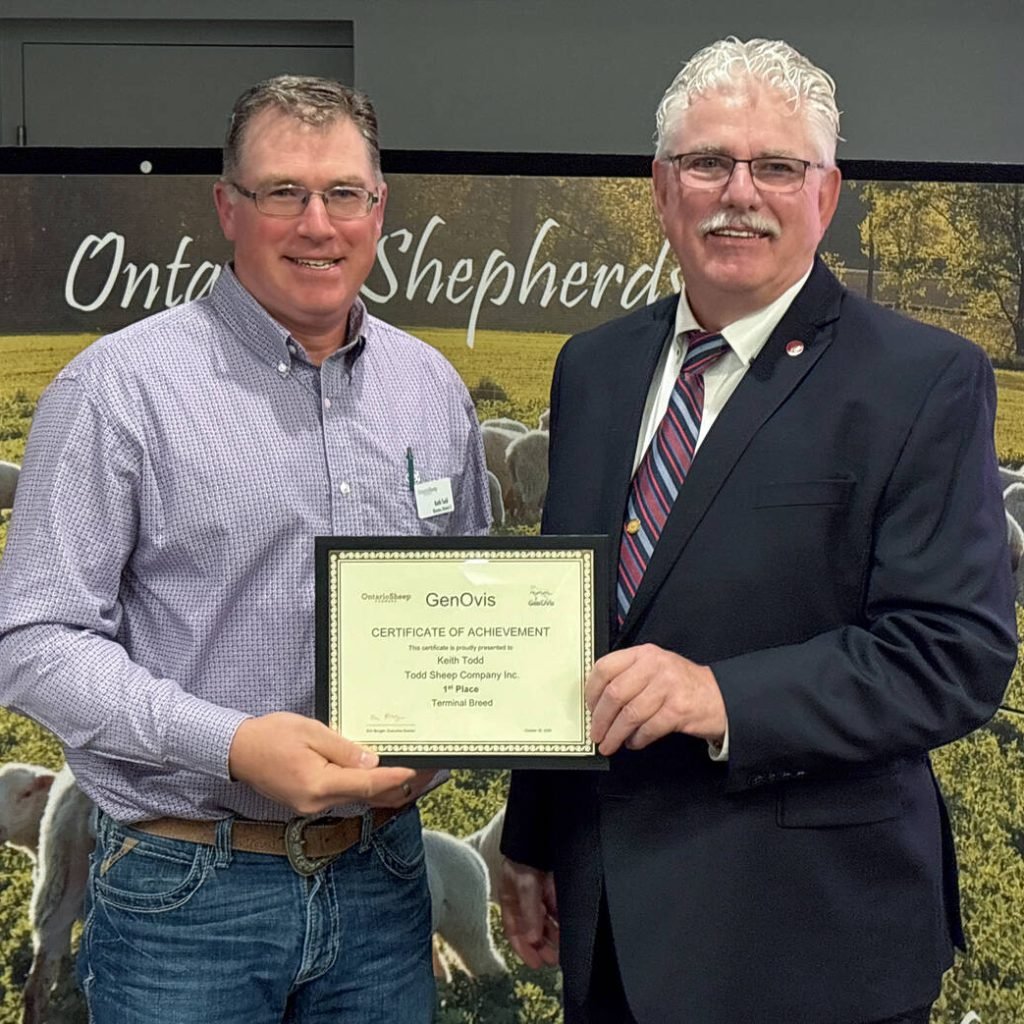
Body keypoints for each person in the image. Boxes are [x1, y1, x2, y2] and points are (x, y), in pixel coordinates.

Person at [499, 37, 1017, 1024]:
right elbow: (572, 626)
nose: (740, 193)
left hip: (810, 943)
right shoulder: (595, 370)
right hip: (612, 930)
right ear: (662, 188)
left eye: (776, 166)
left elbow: (954, 654)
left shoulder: (920, 380)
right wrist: (529, 836)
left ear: (825, 195)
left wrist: (718, 693)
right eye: (707, 163)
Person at [0, 75, 490, 1023]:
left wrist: (458, 728)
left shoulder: (431, 390)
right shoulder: (119, 390)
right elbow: (33, 638)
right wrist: (229, 744)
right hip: (187, 894)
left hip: (383, 883)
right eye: (282, 193)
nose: (318, 223)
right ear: (228, 207)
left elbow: (465, 596)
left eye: (344, 193)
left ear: (379, 208)